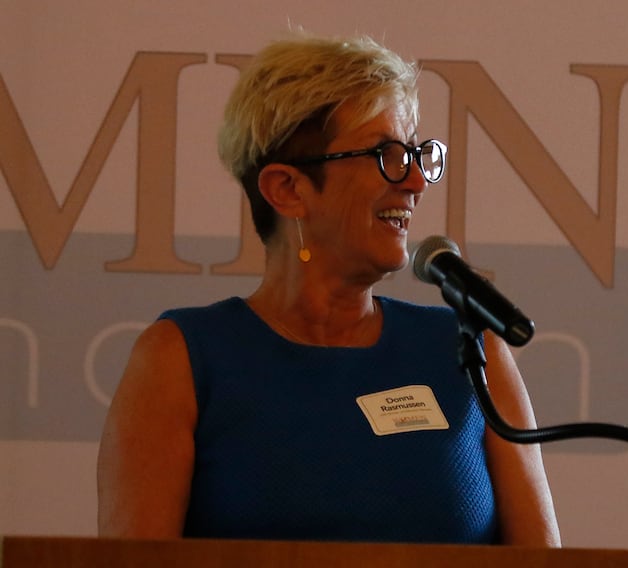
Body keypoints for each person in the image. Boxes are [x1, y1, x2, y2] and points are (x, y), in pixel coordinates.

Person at [96, 32, 560, 546]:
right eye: (387, 155)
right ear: (287, 189)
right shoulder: (181, 359)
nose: (415, 182)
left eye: (416, 154)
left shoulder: (469, 350)